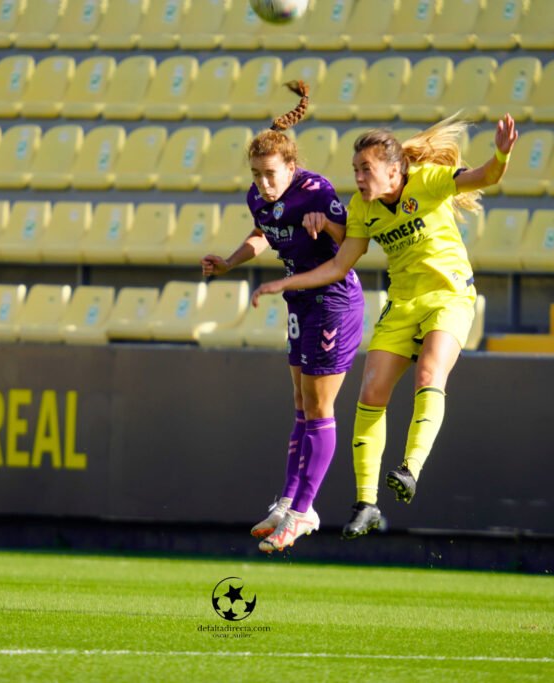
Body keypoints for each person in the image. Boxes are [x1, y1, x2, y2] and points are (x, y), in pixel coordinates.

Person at [252, 114, 518, 539]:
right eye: (355, 169)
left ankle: (410, 467)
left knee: (430, 373)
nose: (357, 177)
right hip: (402, 304)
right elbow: (340, 264)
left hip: (449, 298)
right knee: (371, 393)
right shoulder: (363, 209)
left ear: (394, 170)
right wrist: (284, 281)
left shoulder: (428, 181)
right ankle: (367, 503)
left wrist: (502, 152)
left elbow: (487, 175)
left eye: (366, 169)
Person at [201, 81, 364, 553]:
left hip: (333, 299)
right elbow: (263, 235)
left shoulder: (316, 190)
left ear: (291, 166)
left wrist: (325, 225)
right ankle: (288, 499)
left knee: (319, 408)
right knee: (299, 402)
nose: (263, 184)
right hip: (300, 302)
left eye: (271, 173)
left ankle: (303, 511)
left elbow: (353, 237)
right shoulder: (259, 199)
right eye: (256, 175)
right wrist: (230, 261)